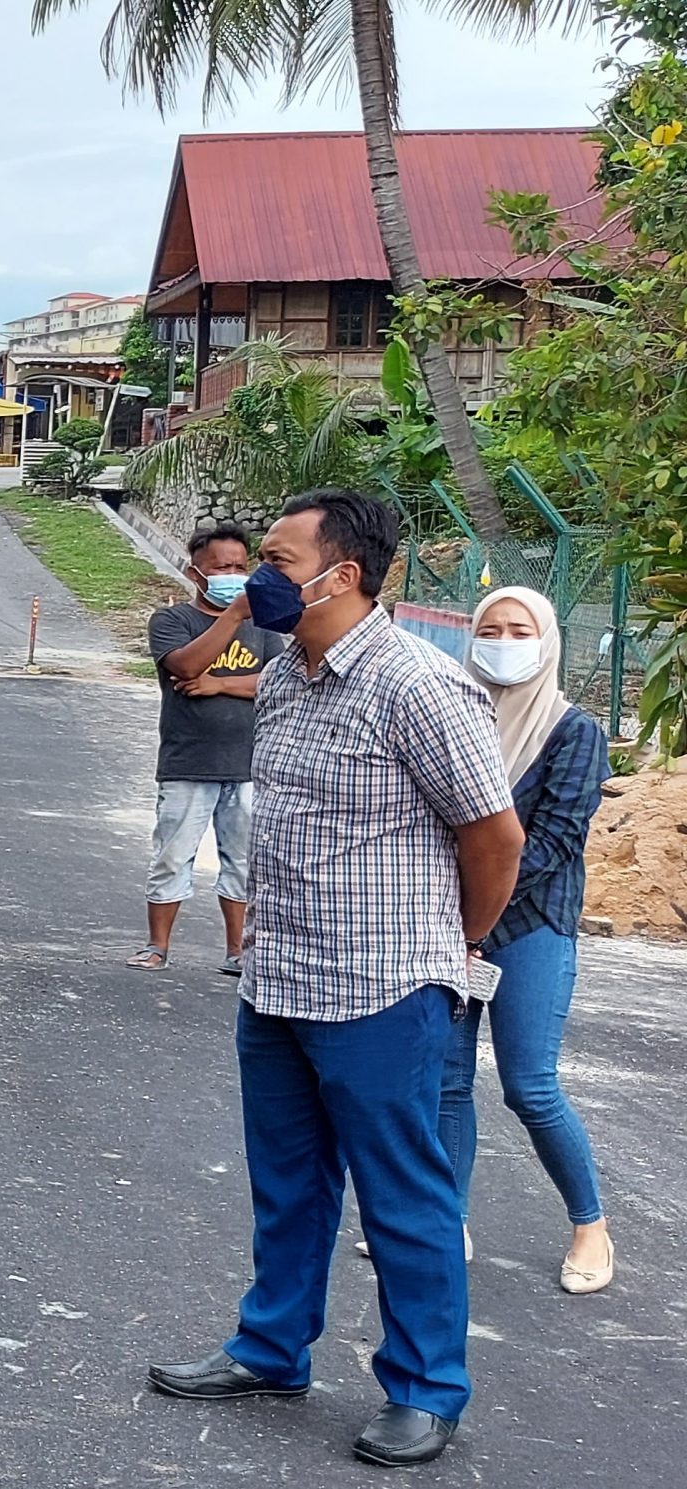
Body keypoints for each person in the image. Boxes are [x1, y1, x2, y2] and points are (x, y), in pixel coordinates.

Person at [147, 488, 522, 1469]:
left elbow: (493, 836)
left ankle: (426, 1386)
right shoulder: (283, 679)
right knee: (287, 1183)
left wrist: (449, 943)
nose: (255, 577)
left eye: (275, 560)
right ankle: (271, 1348)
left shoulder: (417, 687)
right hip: (278, 975)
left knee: (403, 1192)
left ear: (341, 574)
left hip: (384, 986)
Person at [443, 587, 615, 1293]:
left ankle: (591, 1224)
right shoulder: (452, 710)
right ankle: (444, 1218)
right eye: (492, 628)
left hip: (530, 927)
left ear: (546, 641)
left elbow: (551, 843)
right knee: (446, 1083)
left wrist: (479, 915)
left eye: (520, 629)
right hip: (448, 925)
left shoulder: (574, 731)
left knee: (531, 1086)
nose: (505, 641)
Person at [131, 523, 283, 975]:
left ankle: (238, 951)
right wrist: (232, 617)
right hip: (188, 764)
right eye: (222, 567)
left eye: (241, 567)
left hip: (248, 765)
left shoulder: (264, 627)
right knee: (172, 855)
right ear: (195, 572)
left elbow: (277, 680)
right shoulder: (173, 621)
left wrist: (219, 683)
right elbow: (184, 664)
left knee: (243, 861)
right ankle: (158, 946)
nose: (234, 575)